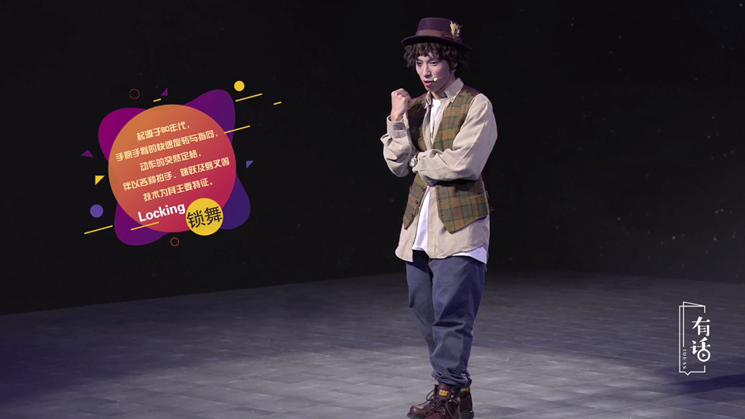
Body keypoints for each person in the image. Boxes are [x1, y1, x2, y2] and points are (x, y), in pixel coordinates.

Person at [379, 16, 498, 419]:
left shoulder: (476, 104)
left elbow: (464, 164)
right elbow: (396, 165)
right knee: (423, 309)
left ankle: (447, 393)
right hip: (418, 226)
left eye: (433, 61)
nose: (426, 71)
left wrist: (419, 160)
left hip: (460, 226)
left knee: (452, 314)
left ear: (452, 61)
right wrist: (397, 119)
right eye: (419, 63)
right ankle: (457, 390)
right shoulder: (414, 108)